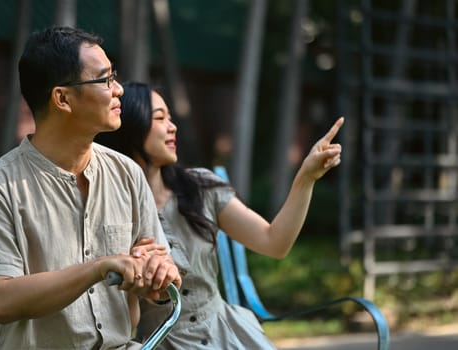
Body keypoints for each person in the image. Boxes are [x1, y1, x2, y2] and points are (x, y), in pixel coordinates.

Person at [0, 28, 181, 350]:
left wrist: (159, 277)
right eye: (104, 80)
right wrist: (99, 267)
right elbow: (2, 301)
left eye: (114, 77)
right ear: (62, 98)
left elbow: (157, 284)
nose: (118, 89)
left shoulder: (128, 174)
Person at [95, 81, 344, 349]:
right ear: (132, 128)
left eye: (170, 117)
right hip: (162, 342)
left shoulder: (200, 188)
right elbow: (126, 322)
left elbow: (275, 242)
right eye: (159, 118)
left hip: (225, 335)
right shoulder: (109, 212)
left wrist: (306, 177)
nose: (172, 126)